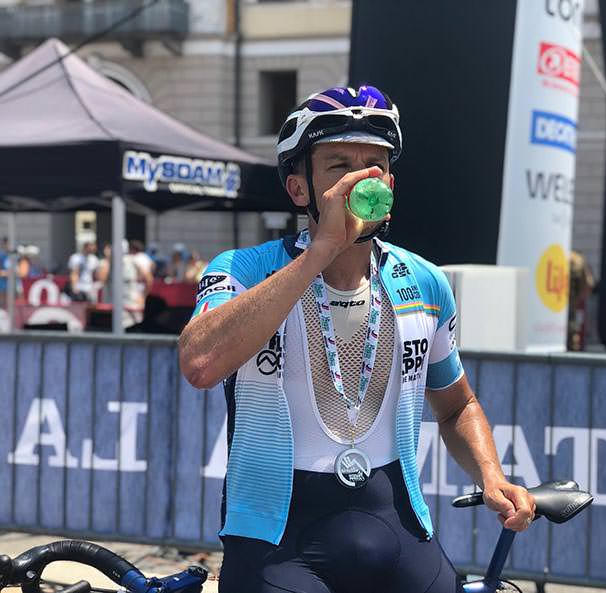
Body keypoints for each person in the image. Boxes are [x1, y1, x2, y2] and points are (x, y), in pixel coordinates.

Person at [179, 85, 536, 593]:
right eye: (340, 164)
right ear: (300, 188)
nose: (362, 178)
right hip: (278, 540)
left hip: (398, 526)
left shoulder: (427, 281)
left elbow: (456, 406)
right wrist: (322, 250)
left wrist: (491, 475)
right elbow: (200, 365)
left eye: (376, 163)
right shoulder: (242, 269)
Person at [567, 250, 595, 351]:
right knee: (576, 331)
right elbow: (589, 284)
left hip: (560, 305)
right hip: (576, 304)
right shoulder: (579, 260)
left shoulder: (564, 258)